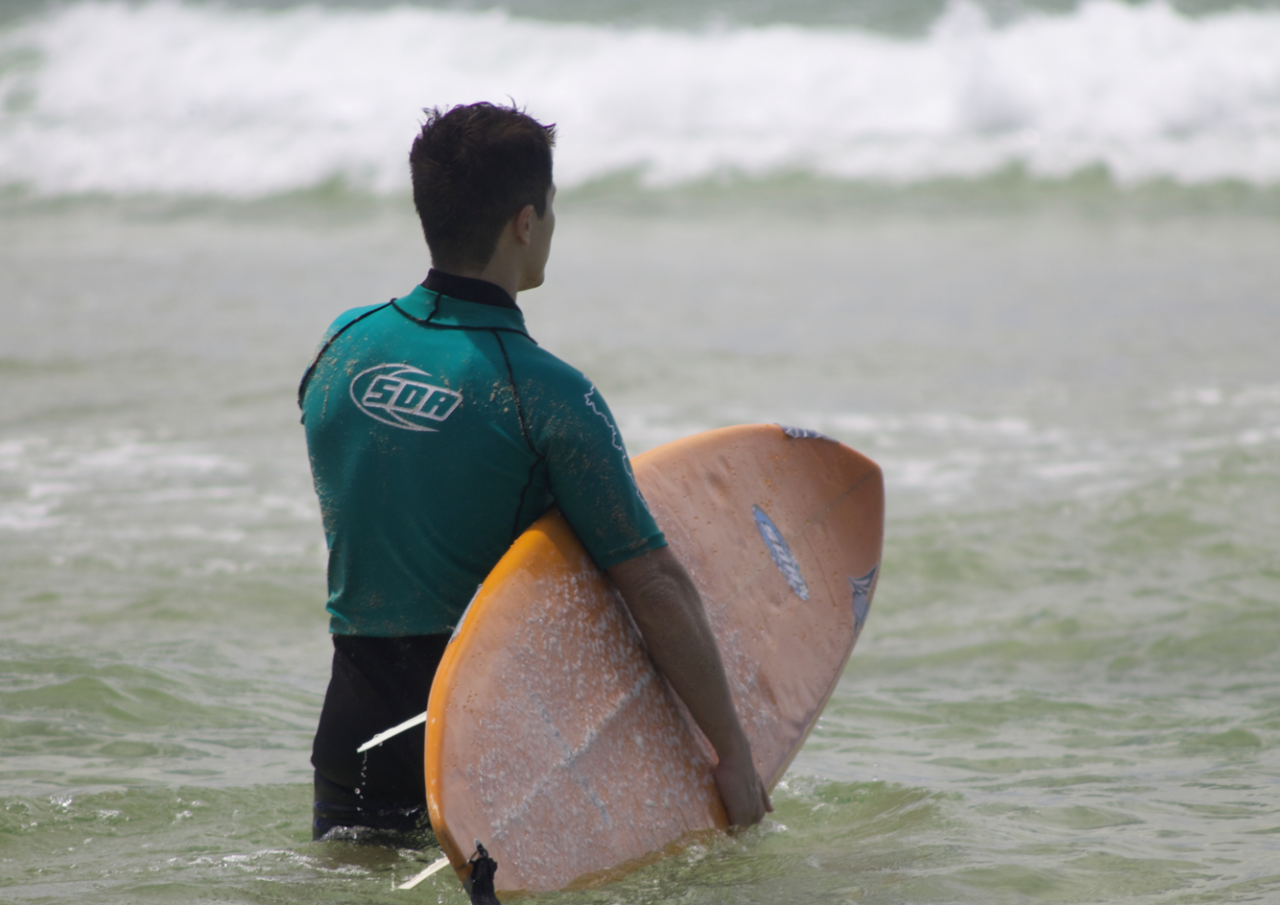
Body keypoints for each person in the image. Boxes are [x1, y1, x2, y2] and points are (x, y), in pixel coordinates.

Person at [298, 102, 771, 842]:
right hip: (478, 746)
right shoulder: (549, 394)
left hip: (351, 733)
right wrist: (734, 754)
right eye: (550, 211)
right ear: (525, 222)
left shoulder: (342, 343)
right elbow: (653, 585)